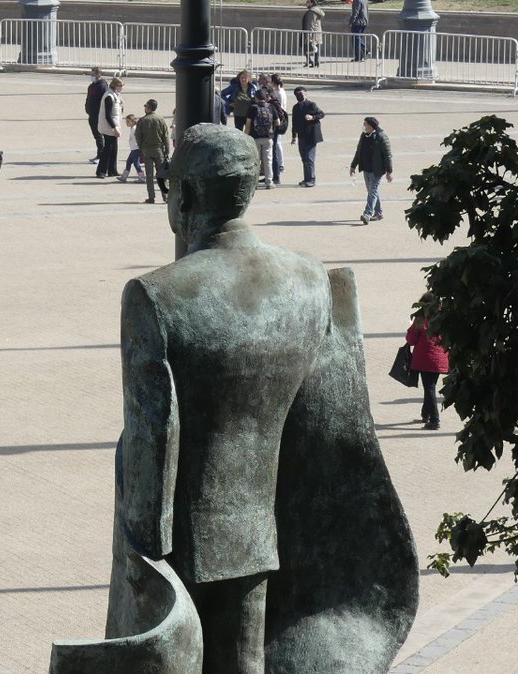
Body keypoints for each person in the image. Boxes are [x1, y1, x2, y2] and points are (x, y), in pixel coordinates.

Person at [116, 123, 333, 673]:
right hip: (271, 529)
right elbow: (330, 416)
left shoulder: (157, 295)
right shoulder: (309, 278)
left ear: (184, 194)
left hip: (184, 542)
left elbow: (152, 434)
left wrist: (144, 558)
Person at [406, 292, 449, 431]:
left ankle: (435, 420)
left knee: (429, 388)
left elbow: (411, 340)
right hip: (440, 358)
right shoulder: (444, 318)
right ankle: (426, 414)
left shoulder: (421, 318)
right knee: (430, 386)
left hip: (425, 359)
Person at [349, 116, 393, 226]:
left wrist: (389, 171)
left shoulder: (382, 137)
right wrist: (353, 166)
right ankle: (378, 213)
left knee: (372, 191)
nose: (364, 127)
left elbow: (388, 155)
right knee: (372, 192)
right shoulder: (364, 136)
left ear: (371, 126)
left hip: (377, 170)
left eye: (366, 125)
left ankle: (367, 214)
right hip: (366, 169)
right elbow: (358, 151)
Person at [134, 99, 170, 204]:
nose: (145, 108)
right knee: (162, 174)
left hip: (146, 150)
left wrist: (141, 148)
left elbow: (138, 136)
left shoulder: (142, 120)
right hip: (159, 150)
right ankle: (166, 195)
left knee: (149, 175)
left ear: (149, 108)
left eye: (146, 107)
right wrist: (167, 150)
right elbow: (165, 136)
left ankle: (151, 197)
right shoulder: (161, 119)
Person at [290, 87, 324, 188]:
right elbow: (294, 122)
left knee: (309, 158)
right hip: (301, 135)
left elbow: (321, 114)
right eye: (296, 94)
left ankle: (311, 179)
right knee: (304, 157)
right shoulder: (295, 107)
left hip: (311, 135)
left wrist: (312, 117)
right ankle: (306, 178)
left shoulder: (311, 105)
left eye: (301, 93)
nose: (299, 96)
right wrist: (294, 136)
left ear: (306, 94)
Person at [245, 89, 276, 190]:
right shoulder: (271, 107)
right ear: (266, 97)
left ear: (256, 98)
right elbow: (278, 122)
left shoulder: (252, 108)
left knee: (256, 161)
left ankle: (254, 183)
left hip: (255, 138)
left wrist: (246, 137)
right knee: (268, 160)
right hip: (268, 137)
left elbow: (248, 125)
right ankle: (269, 182)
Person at [95, 78, 123, 179]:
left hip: (113, 124)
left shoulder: (114, 95)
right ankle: (101, 171)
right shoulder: (109, 96)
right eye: (119, 86)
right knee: (108, 149)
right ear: (114, 85)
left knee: (114, 149)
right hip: (109, 126)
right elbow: (108, 115)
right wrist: (114, 128)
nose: (121, 88)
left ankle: (112, 170)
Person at [84, 67, 107, 164]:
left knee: (99, 136)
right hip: (92, 114)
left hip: (98, 115)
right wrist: (87, 108)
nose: (91, 76)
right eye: (91, 74)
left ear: (98, 74)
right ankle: (99, 154)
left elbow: (104, 101)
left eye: (93, 75)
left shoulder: (102, 86)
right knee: (96, 136)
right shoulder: (92, 86)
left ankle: (101, 156)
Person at [117, 114, 145, 183]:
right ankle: (124, 177)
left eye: (128, 121)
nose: (127, 123)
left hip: (136, 149)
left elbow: (140, 137)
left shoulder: (135, 128)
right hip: (133, 149)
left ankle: (141, 177)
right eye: (126, 121)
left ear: (132, 121)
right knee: (128, 162)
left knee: (136, 163)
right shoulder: (133, 128)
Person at [301, 0, 324, 67]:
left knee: (306, 47)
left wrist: (308, 36)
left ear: (312, 3)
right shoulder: (317, 10)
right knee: (315, 48)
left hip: (311, 33)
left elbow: (310, 24)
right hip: (317, 32)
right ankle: (315, 62)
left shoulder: (311, 12)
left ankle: (311, 61)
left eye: (308, 2)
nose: (306, 3)